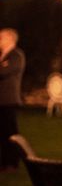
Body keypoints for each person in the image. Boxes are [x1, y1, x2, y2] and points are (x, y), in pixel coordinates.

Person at [0, 28, 26, 171]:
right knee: (2, 133)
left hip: (9, 100)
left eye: (1, 37)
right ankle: (4, 162)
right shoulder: (2, 56)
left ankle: (13, 162)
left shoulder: (16, 55)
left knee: (10, 133)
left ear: (10, 39)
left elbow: (4, 72)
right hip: (1, 101)